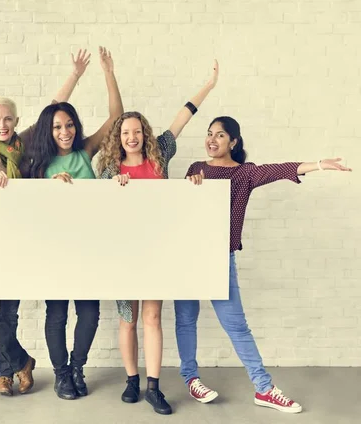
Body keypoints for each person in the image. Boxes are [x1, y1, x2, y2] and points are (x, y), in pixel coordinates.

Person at [175, 115, 352, 414]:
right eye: (209, 134)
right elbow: (179, 210)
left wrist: (319, 164)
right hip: (188, 256)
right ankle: (191, 378)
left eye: (220, 135)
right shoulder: (196, 169)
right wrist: (192, 186)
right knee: (185, 320)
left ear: (233, 142)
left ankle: (264, 389)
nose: (212, 140)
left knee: (237, 327)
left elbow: (280, 169)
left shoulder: (245, 173)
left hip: (219, 257)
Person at [96, 61, 218, 415]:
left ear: (144, 133)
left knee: (152, 317)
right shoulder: (108, 170)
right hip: (124, 253)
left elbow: (183, 116)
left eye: (136, 131)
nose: (131, 137)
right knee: (128, 318)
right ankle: (131, 381)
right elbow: (98, 212)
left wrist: (208, 85)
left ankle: (153, 387)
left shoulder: (160, 154)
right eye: (125, 133)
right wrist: (112, 188)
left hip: (157, 250)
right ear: (118, 138)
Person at [0, 49, 93, 396]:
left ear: (15, 119)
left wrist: (75, 76)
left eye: (8, 119)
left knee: (9, 312)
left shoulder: (25, 148)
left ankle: (4, 375)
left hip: (18, 239)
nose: (3, 124)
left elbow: (50, 112)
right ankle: (23, 361)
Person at [22, 46, 124, 400]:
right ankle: (62, 374)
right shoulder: (37, 163)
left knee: (91, 314)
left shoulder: (85, 151)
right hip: (54, 247)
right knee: (56, 314)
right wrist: (75, 76)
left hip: (87, 246)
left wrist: (107, 72)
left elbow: (116, 118)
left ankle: (77, 366)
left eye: (69, 125)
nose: (64, 131)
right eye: (57, 126)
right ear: (49, 131)